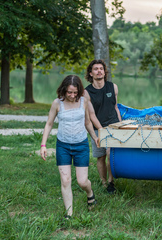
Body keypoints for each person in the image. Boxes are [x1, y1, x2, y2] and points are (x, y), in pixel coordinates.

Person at [40, 75, 99, 218]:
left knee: (82, 181)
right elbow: (49, 124)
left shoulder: (83, 102)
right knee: (65, 180)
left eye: (75, 92)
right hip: (63, 146)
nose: (73, 96)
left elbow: (87, 122)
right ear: (64, 90)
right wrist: (43, 144)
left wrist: (95, 137)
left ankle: (90, 193)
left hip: (81, 145)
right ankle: (69, 214)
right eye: (69, 92)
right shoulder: (57, 103)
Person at [85, 59, 121, 194]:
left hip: (113, 126)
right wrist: (101, 130)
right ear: (91, 73)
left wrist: (120, 124)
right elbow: (91, 115)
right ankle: (104, 182)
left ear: (104, 72)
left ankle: (111, 182)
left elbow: (115, 107)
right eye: (95, 69)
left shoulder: (113, 87)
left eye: (101, 68)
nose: (99, 71)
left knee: (110, 153)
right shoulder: (86, 92)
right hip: (97, 128)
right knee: (100, 156)